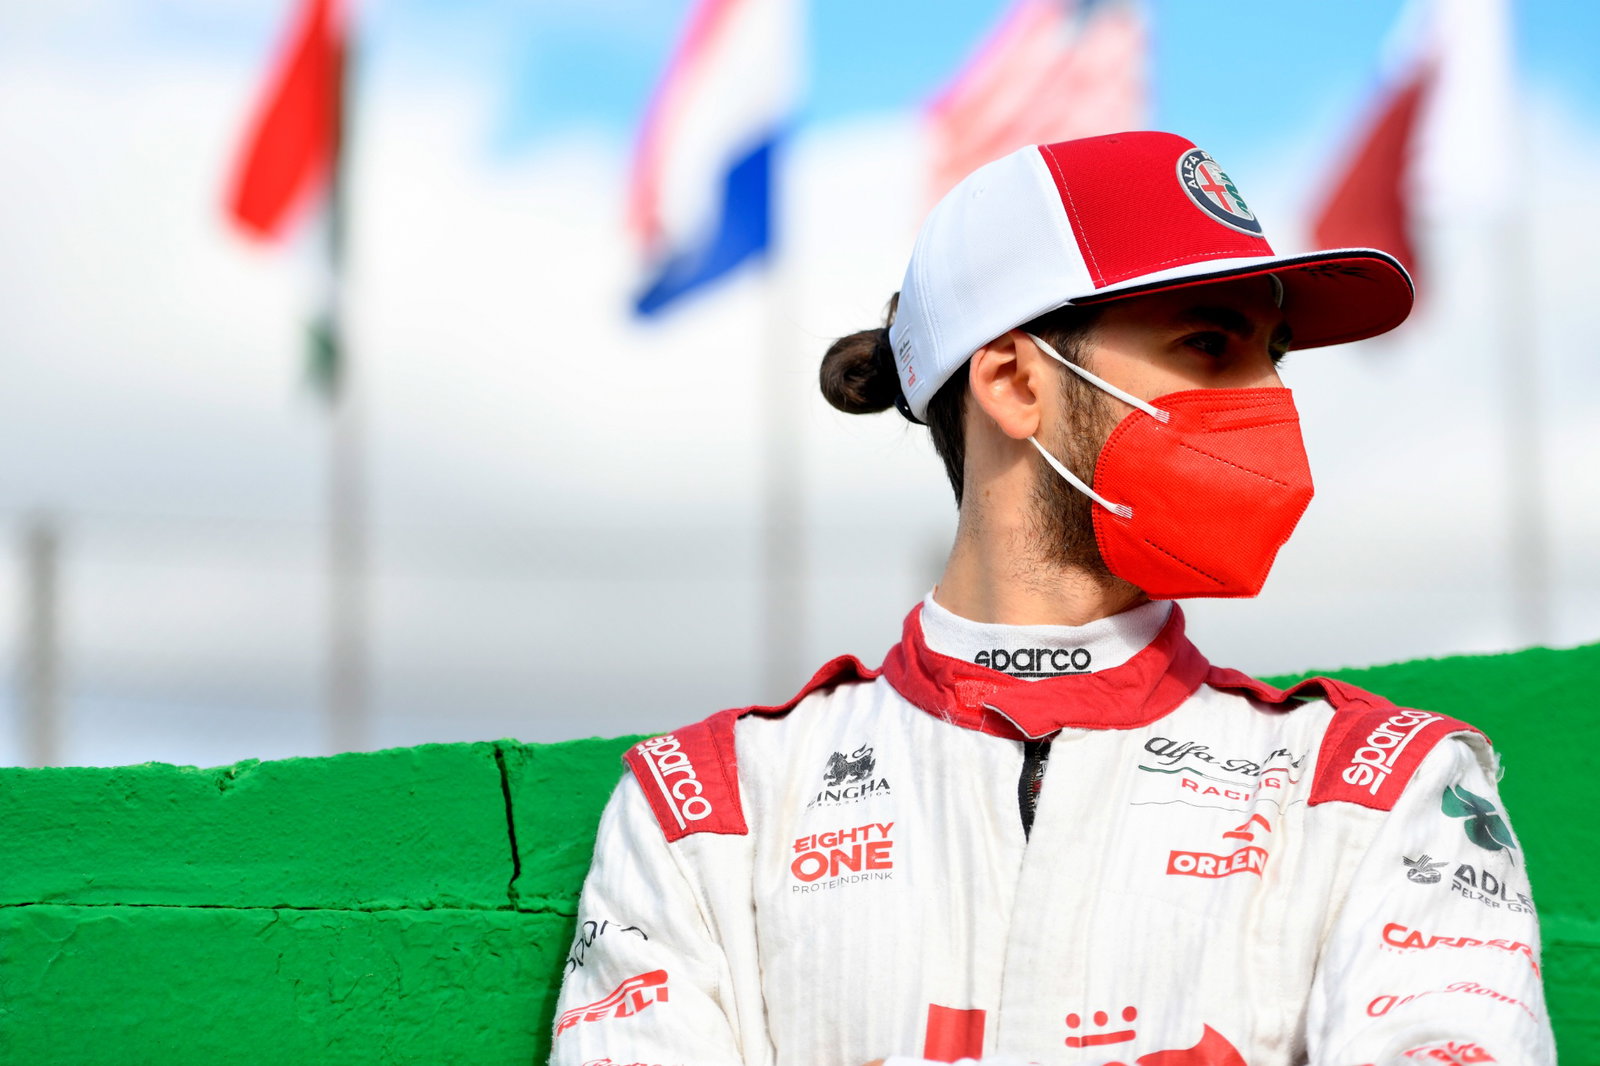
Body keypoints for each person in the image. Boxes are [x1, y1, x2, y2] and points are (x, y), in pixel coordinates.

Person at [546, 132, 1553, 1066]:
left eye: (1272, 354)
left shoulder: (1387, 788)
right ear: (1013, 381)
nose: (1268, 400)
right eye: (1211, 343)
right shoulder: (709, 806)